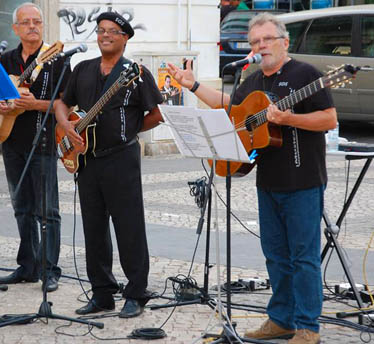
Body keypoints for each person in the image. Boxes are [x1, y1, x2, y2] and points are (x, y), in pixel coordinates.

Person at [167, 12, 336, 344]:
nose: (261, 46)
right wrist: (194, 85)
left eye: (267, 39)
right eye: (255, 42)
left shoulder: (306, 75)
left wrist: (290, 119)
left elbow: (329, 119)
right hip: (267, 180)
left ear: (284, 42)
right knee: (275, 255)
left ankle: (307, 327)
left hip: (303, 180)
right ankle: (281, 319)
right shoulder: (254, 80)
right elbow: (233, 108)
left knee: (303, 256)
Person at [54, 12, 163, 318]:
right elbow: (64, 103)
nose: (104, 35)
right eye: (101, 30)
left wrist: (129, 129)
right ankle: (102, 293)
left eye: (112, 31)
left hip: (121, 158)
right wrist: (66, 125)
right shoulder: (83, 69)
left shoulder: (135, 73)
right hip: (86, 159)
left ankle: (136, 293)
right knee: (94, 228)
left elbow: (157, 113)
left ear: (125, 37)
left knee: (129, 227)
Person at [0, 2, 71, 293]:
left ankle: (51, 270)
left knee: (47, 209)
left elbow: (67, 102)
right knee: (21, 207)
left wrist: (35, 104)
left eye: (36, 21)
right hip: (11, 140)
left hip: (43, 140)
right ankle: (28, 266)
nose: (32, 26)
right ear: (15, 28)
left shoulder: (57, 59)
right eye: (25, 22)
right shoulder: (6, 60)